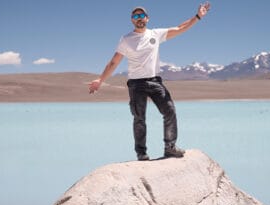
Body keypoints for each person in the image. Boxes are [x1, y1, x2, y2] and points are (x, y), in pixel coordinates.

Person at [89, 3, 211, 161]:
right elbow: (114, 62)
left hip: (155, 82)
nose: (139, 18)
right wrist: (100, 79)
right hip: (136, 84)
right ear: (132, 20)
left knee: (170, 111)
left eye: (141, 16)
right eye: (135, 16)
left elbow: (180, 28)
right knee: (139, 118)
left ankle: (170, 148)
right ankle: (141, 153)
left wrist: (198, 16)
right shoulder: (126, 40)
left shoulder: (156, 34)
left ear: (147, 18)